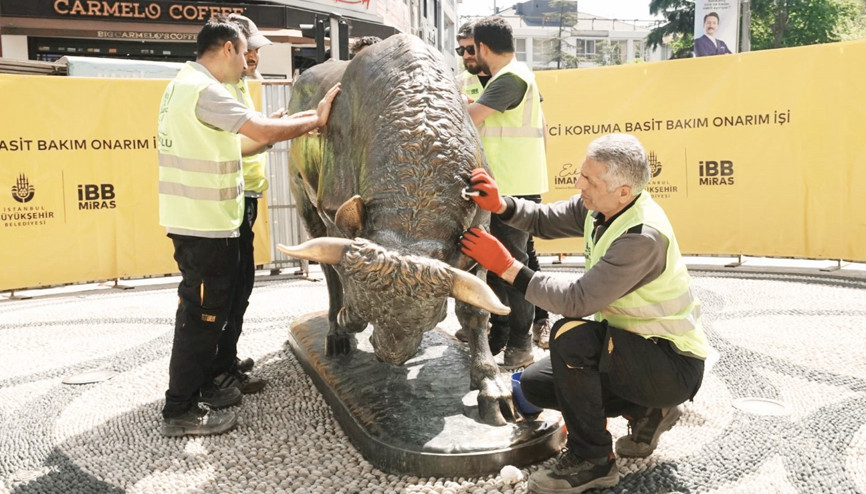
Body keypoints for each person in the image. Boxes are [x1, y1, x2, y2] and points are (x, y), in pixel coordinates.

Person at [459, 133, 707, 493]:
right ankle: (647, 410)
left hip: (672, 362)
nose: (579, 185)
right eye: (581, 174)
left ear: (623, 191)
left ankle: (592, 460)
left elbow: (579, 300)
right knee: (536, 383)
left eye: (589, 180)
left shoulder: (641, 236)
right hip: (633, 349)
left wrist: (507, 266)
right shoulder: (600, 206)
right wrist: (502, 206)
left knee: (570, 336)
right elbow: (545, 219)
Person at [157, 15, 340, 437]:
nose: (247, 62)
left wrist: (287, 124)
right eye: (243, 52)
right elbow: (258, 129)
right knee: (199, 318)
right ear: (227, 49)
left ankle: (205, 383)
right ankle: (179, 410)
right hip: (204, 224)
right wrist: (316, 119)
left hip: (204, 221)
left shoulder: (186, 84)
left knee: (208, 312)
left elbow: (245, 140)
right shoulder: (204, 89)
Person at [455, 19, 552, 349]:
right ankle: (501, 339)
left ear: (482, 47)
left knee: (512, 268)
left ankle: (520, 344)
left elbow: (470, 118)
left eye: (471, 49)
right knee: (498, 267)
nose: (469, 55)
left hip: (513, 188)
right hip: (504, 186)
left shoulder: (511, 79)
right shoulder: (511, 75)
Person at [202, 13, 274, 396]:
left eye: (257, 51)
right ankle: (217, 371)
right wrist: (273, 134)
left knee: (241, 285)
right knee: (230, 287)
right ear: (232, 47)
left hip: (245, 197)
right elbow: (239, 142)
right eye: (251, 49)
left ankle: (225, 360)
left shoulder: (240, 85)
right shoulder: (220, 88)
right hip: (230, 200)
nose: (255, 57)